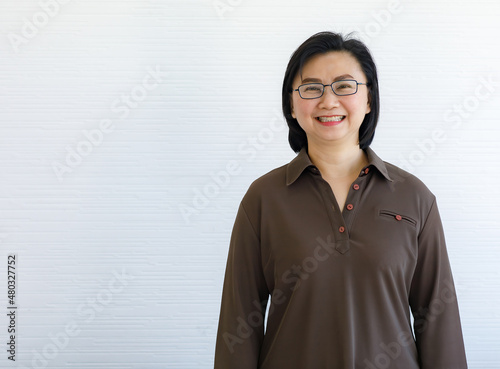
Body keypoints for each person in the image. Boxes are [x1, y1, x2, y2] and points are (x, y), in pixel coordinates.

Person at [214, 31, 467, 369]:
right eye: (311, 88)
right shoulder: (263, 199)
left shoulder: (414, 197)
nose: (328, 101)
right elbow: (238, 325)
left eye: (345, 86)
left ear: (369, 99)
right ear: (292, 103)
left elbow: (439, 320)